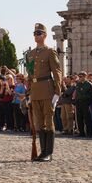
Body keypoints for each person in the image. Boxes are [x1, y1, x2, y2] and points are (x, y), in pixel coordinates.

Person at [26, 23, 62, 162]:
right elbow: (30, 75)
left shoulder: (50, 51)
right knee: (38, 122)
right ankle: (42, 151)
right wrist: (28, 93)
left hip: (47, 89)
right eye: (35, 33)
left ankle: (48, 152)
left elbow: (57, 72)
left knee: (48, 121)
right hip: (35, 90)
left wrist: (57, 92)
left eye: (39, 33)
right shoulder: (31, 54)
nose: (36, 36)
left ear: (45, 36)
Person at [75, 71, 92, 137]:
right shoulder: (78, 84)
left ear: (85, 76)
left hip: (85, 103)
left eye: (81, 76)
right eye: (79, 76)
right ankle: (81, 132)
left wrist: (89, 103)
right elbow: (77, 94)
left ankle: (89, 133)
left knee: (87, 119)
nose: (80, 78)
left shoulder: (89, 84)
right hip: (79, 103)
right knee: (79, 118)